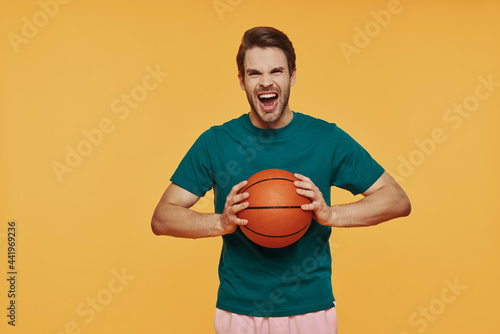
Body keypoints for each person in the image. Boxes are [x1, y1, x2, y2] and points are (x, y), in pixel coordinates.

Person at [151, 26, 411, 334]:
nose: (266, 81)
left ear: (292, 75)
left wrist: (330, 214)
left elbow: (397, 200)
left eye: (276, 70)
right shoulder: (217, 142)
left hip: (311, 311)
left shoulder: (325, 138)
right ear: (241, 81)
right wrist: (220, 222)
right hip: (238, 312)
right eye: (254, 73)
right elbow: (162, 218)